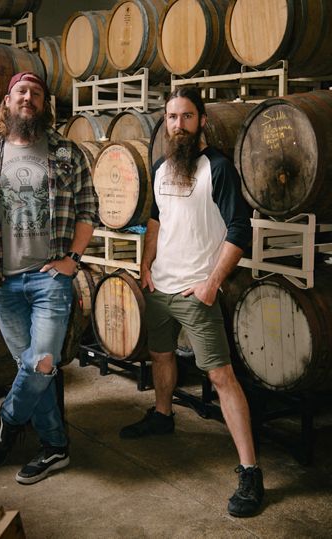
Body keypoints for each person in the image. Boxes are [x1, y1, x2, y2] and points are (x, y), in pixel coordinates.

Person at [119, 85, 264, 517]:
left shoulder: (217, 168)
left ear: (201, 120)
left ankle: (250, 470)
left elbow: (240, 230)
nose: (178, 124)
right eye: (171, 117)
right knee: (161, 355)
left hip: (195, 292)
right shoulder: (161, 168)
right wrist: (146, 264)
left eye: (186, 116)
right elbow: (155, 221)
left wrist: (212, 282)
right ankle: (163, 415)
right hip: (160, 287)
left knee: (221, 376)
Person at [0, 71, 99, 485]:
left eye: (36, 93)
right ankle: (55, 447)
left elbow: (88, 209)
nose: (28, 98)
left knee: (42, 363)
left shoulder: (66, 152)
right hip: (3, 282)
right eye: (21, 92)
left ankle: (9, 418)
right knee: (32, 367)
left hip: (49, 280)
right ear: (7, 101)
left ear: (44, 105)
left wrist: (72, 259)